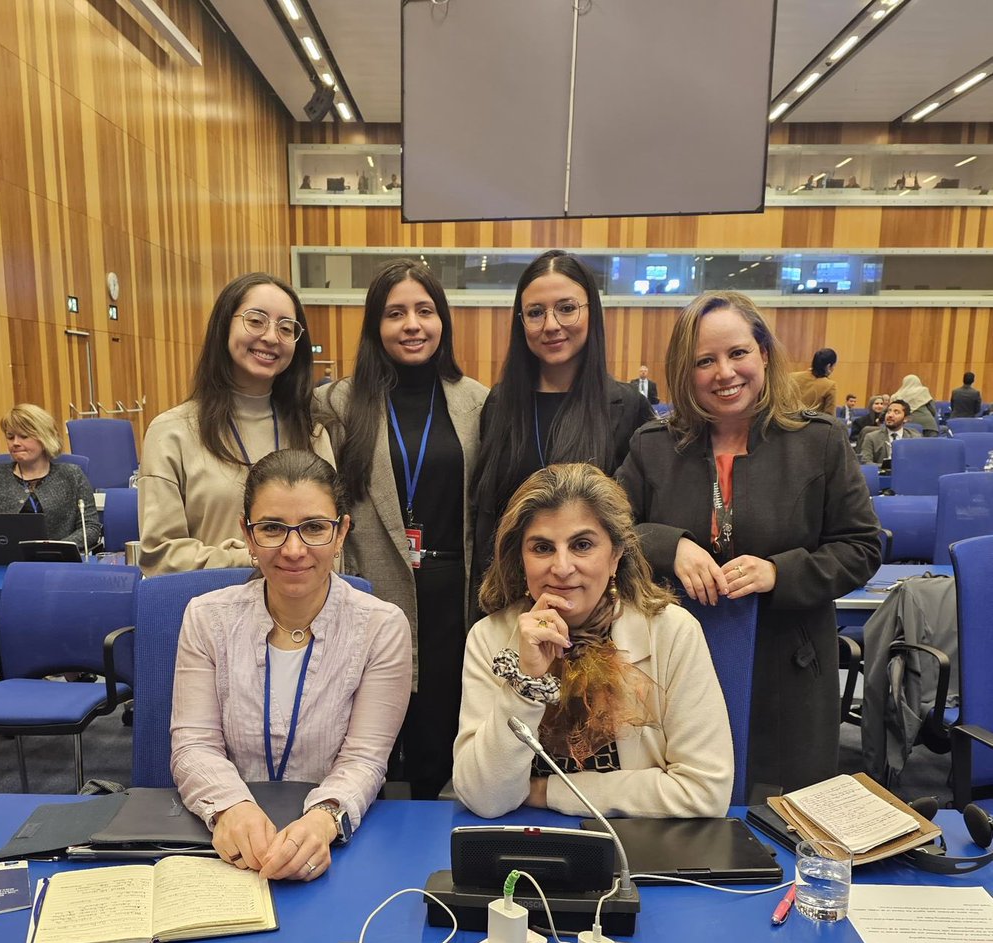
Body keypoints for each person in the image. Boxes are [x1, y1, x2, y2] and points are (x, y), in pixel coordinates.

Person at [616, 291, 881, 795]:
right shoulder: (653, 446)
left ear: (763, 352)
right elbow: (609, 531)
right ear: (685, 371)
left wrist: (780, 572)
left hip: (789, 667)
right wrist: (668, 544)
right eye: (704, 361)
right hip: (675, 666)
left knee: (782, 819)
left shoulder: (818, 442)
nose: (724, 372)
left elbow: (862, 546)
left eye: (737, 353)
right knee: (684, 806)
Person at [170, 450, 412, 880]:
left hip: (333, 848)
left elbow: (365, 759)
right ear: (247, 534)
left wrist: (323, 819)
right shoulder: (206, 618)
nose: (294, 549)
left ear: (341, 534)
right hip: (225, 847)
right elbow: (194, 744)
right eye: (272, 529)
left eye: (315, 528)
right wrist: (231, 808)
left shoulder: (382, 626)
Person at [453, 462, 732, 819]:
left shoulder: (673, 632)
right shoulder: (489, 638)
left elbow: (705, 791)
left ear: (615, 555)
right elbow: (484, 798)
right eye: (542, 548)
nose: (562, 567)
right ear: (520, 560)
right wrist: (527, 684)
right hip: (521, 843)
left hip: (637, 846)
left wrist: (547, 791)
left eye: (582, 545)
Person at [313, 259, 487, 800]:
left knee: (442, 738)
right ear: (375, 326)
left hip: (453, 599)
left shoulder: (476, 401)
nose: (412, 324)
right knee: (369, 742)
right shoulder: (337, 403)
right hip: (373, 586)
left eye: (424, 310)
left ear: (443, 321)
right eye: (395, 313)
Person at [471, 250, 653, 582]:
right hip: (512, 594)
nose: (551, 325)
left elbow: (633, 526)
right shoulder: (500, 405)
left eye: (567, 309)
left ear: (591, 313)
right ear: (521, 321)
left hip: (593, 599)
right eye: (536, 312)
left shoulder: (626, 407)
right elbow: (487, 518)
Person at [137, 272, 333, 576]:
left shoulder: (312, 432)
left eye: (285, 328)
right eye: (255, 321)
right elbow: (160, 555)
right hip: (209, 609)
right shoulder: (171, 432)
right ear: (224, 325)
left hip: (298, 611)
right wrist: (254, 558)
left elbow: (331, 543)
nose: (270, 337)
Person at [0, 403, 101, 551]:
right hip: (2, 559)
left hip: (57, 561)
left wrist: (56, 548)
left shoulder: (72, 475)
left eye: (24, 436)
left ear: (45, 438)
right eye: (10, 437)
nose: (15, 443)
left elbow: (90, 527)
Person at [858, 399, 919, 465]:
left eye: (896, 412)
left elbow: (918, 462)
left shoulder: (914, 438)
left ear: (906, 419)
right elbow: (865, 463)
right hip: (880, 474)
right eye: (889, 411)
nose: (890, 415)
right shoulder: (871, 437)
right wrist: (888, 467)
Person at [789, 347, 837, 415]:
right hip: (813, 424)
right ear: (829, 366)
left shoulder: (792, 377)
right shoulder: (830, 385)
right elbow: (830, 417)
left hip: (788, 422)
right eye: (834, 366)